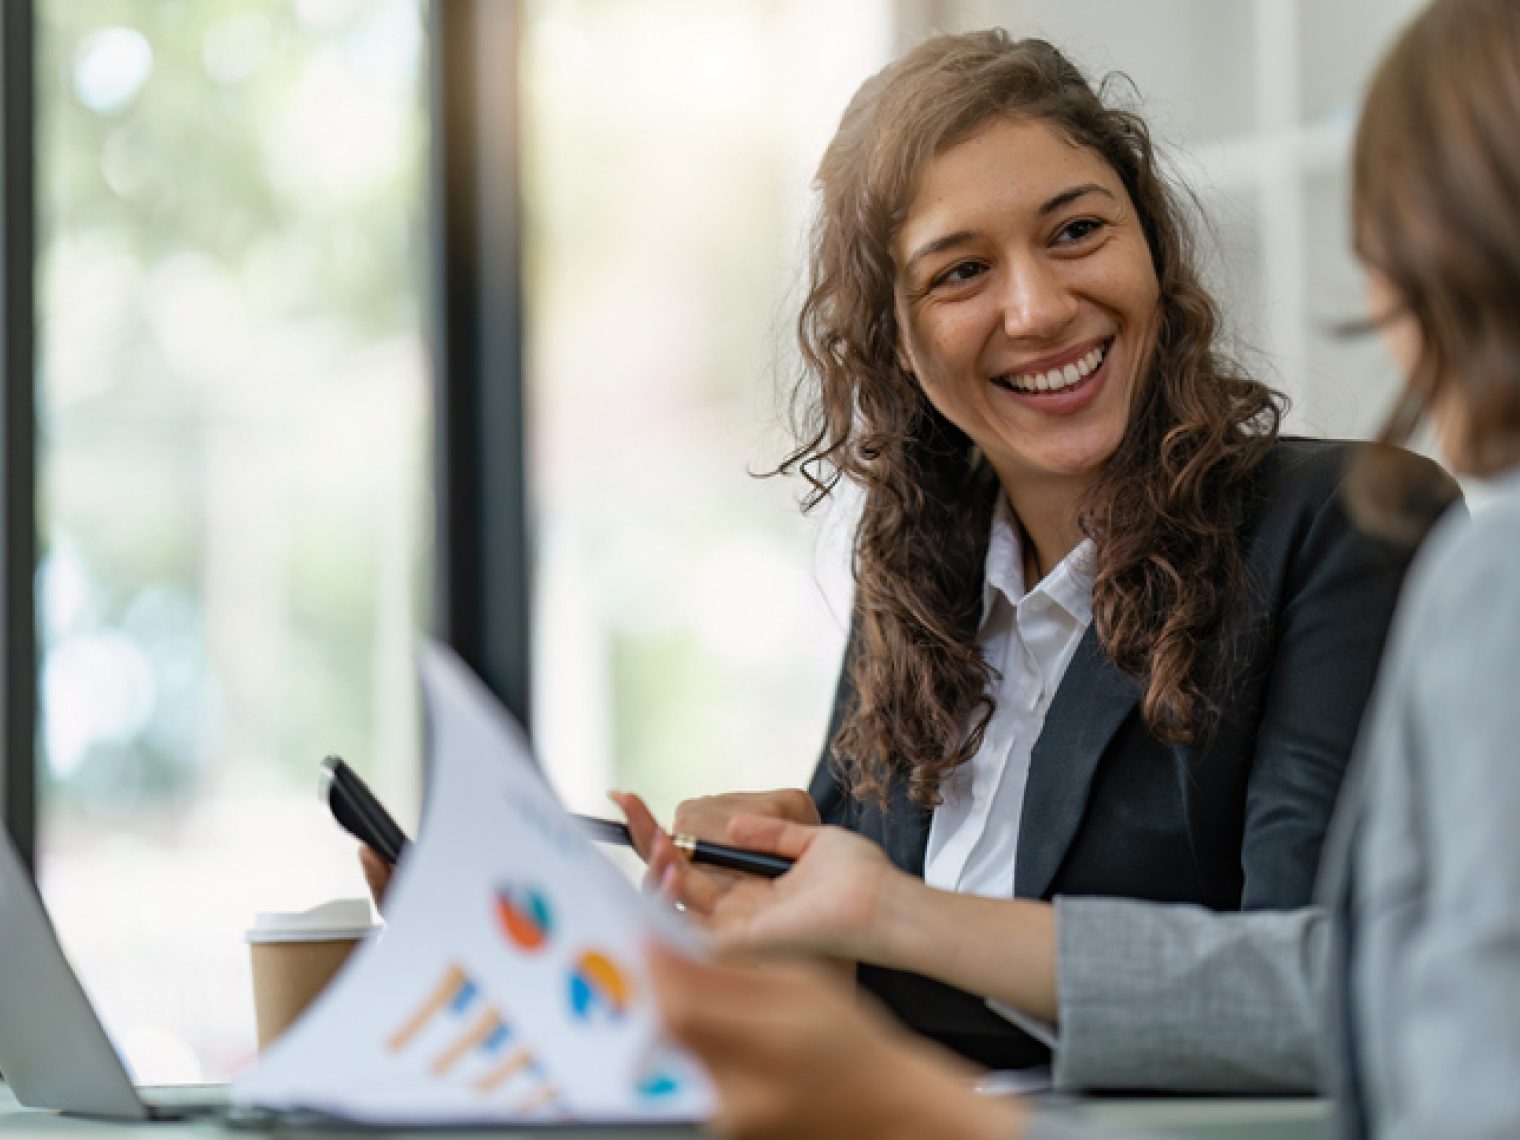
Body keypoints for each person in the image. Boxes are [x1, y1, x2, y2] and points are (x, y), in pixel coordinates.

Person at [647, 0, 1520, 1136]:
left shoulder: (1342, 527)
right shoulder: (913, 584)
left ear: (1152, 252)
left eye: (1074, 233)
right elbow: (861, 1006)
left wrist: (886, 911)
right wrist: (740, 907)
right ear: (892, 343)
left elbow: (1332, 988)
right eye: (958, 272)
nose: (1037, 307)